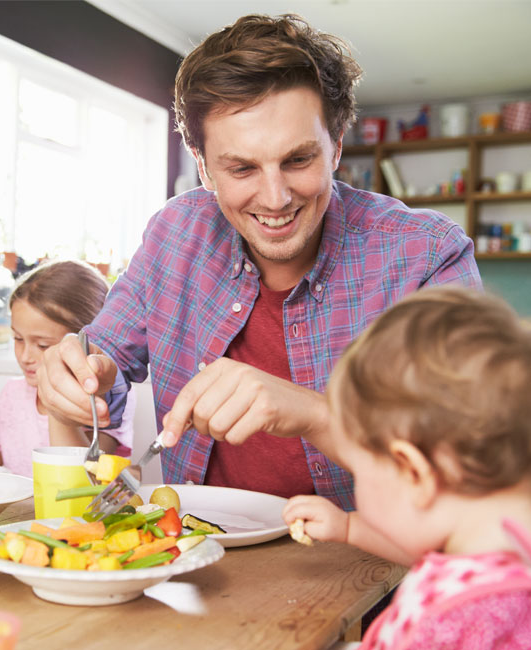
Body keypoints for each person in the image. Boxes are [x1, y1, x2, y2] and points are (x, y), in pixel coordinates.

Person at [35, 14, 482, 508]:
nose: (275, 198)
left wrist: (315, 414)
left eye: (297, 160)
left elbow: (472, 455)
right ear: (203, 166)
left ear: (335, 147)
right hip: (196, 555)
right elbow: (104, 361)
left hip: (375, 569)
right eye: (242, 167)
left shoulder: (428, 254)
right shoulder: (174, 235)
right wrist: (75, 377)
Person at [283, 286, 531, 649]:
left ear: (413, 472)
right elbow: (434, 551)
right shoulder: (500, 547)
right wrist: (350, 527)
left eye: (359, 469)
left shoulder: (450, 619)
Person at [0, 260, 134, 477]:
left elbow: (83, 482)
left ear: (87, 344)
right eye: (18, 339)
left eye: (43, 345)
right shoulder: (13, 395)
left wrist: (55, 405)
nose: (26, 356)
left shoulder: (107, 397)